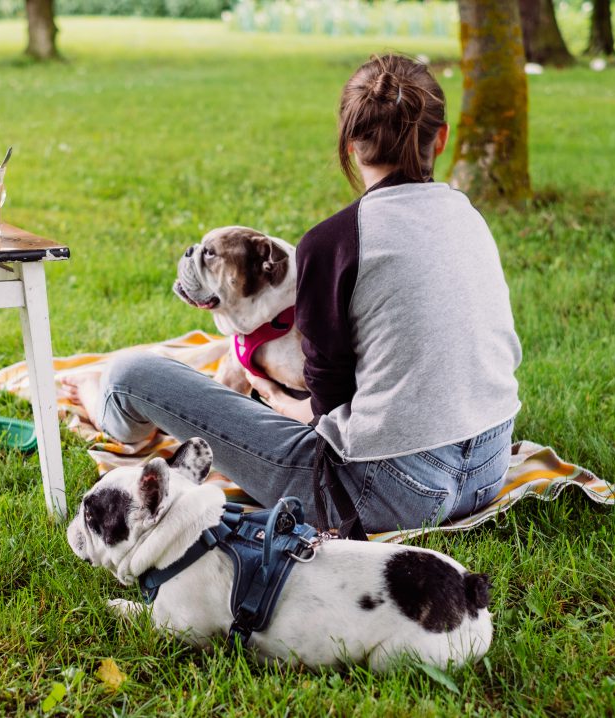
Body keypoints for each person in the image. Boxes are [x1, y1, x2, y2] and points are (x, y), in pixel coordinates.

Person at [62, 54, 522, 534]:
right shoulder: (468, 216)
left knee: (131, 373)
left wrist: (272, 398)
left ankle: (103, 407)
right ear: (442, 138)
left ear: (349, 142)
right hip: (487, 467)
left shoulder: (335, 241)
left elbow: (321, 408)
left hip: (380, 494)